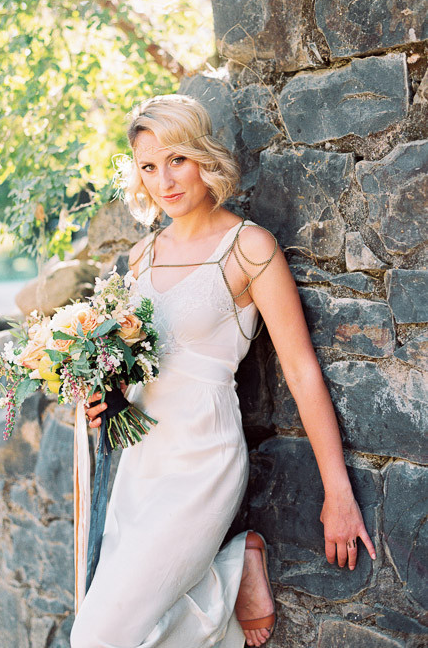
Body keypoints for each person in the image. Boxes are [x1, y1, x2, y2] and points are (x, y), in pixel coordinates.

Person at [70, 94, 376, 648]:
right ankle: (230, 569)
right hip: (141, 463)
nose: (164, 181)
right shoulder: (141, 256)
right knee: (129, 626)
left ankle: (229, 570)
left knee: (96, 637)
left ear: (204, 158)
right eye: (148, 167)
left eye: (177, 160)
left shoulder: (249, 248)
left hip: (203, 462)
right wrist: (110, 399)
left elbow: (301, 370)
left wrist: (339, 493)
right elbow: (136, 366)